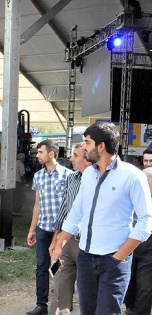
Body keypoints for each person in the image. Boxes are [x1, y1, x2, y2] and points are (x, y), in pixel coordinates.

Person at [51, 122, 152, 315]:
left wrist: (120, 257)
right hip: (86, 259)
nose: (84, 147)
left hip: (114, 261)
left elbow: (146, 221)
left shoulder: (132, 176)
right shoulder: (88, 174)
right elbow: (76, 213)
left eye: (87, 142)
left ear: (101, 146)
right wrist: (59, 243)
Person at [27, 140, 73, 315]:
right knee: (41, 266)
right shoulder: (38, 176)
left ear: (51, 154)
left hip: (61, 231)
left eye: (40, 152)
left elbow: (71, 205)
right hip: (43, 229)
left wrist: (64, 231)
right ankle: (41, 305)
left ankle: (64, 304)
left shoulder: (68, 175)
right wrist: (32, 229)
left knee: (62, 268)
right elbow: (37, 204)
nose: (37, 155)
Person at [47, 143, 92, 314]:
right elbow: (64, 210)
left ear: (87, 159)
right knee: (60, 286)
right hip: (67, 242)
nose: (71, 159)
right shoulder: (71, 178)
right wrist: (56, 240)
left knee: (87, 291)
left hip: (88, 244)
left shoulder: (99, 179)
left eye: (75, 155)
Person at [124, 166, 152, 315]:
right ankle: (130, 308)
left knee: (145, 285)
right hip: (131, 244)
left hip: (149, 248)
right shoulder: (133, 195)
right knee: (130, 281)